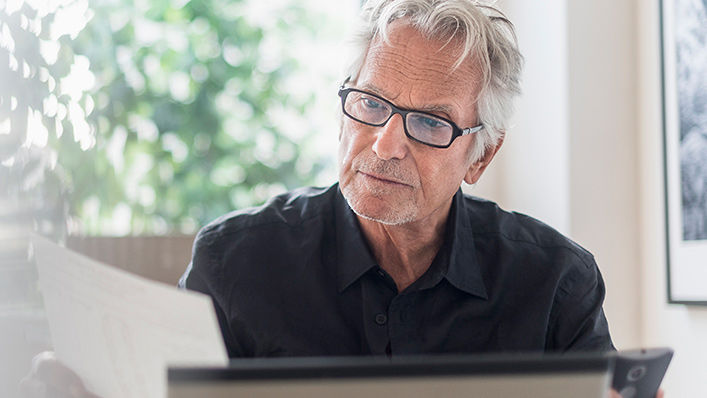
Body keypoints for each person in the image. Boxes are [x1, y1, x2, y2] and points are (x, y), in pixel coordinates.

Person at [178, 0, 614, 358]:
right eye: (370, 103)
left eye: (429, 123)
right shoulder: (233, 263)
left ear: (480, 157)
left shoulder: (557, 282)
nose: (385, 146)